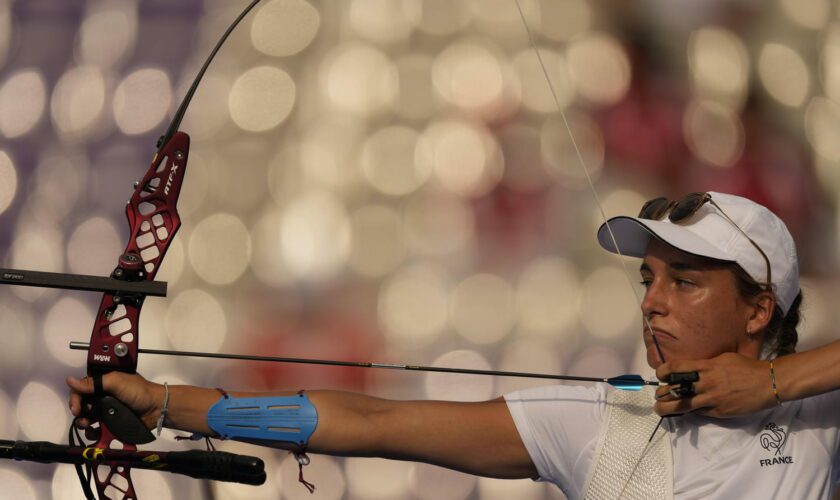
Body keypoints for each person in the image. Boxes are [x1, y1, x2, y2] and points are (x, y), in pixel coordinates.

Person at [67, 192, 840, 499]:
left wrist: (772, 384)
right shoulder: (603, 424)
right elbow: (370, 424)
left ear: (758, 307)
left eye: (687, 283)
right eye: (648, 280)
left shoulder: (821, 419)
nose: (654, 305)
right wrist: (167, 402)